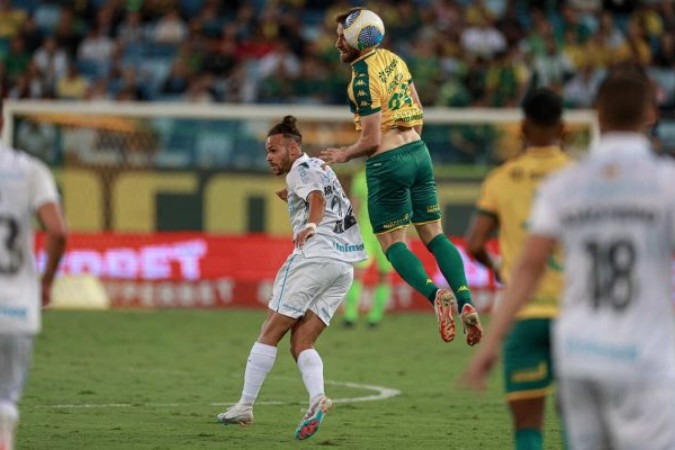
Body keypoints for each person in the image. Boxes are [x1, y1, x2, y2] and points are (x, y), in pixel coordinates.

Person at [462, 70, 675, 449]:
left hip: (577, 340)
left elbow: (528, 264)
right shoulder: (664, 182)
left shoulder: (565, 186)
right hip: (638, 342)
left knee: (536, 429)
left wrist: (492, 340)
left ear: (597, 114)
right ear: (651, 114)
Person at [321, 8, 482, 345]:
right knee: (435, 235)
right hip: (418, 151)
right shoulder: (395, 60)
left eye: (341, 36)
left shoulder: (360, 80)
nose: (337, 43)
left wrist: (343, 154)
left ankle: (434, 295)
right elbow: (418, 110)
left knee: (393, 244)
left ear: (355, 40)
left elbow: (371, 139)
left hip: (387, 162)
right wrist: (410, 150)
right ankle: (466, 300)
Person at [216, 116, 367, 441]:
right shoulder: (319, 168)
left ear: (293, 146)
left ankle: (244, 405)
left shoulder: (300, 168)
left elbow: (317, 199)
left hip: (314, 256)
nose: (268, 157)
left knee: (270, 330)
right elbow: (317, 190)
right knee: (302, 342)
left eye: (273, 150)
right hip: (343, 266)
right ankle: (317, 399)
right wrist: (291, 194)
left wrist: (310, 225)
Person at [464, 88, 571, 450]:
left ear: (522, 128)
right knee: (577, 423)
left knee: (528, 428)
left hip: (523, 314)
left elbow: (475, 242)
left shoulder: (501, 179)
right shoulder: (581, 177)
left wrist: (498, 266)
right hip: (575, 314)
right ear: (565, 128)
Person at [0, 103, 68, 450]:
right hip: (16, 310)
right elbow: (57, 231)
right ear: (3, 120)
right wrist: (45, 283)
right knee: (5, 404)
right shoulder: (30, 170)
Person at [342, 168, 393, 328]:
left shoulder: (394, 175)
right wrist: (350, 231)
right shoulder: (360, 177)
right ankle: (350, 315)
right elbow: (354, 207)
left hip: (388, 233)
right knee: (357, 273)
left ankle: (375, 317)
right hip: (365, 232)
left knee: (384, 274)